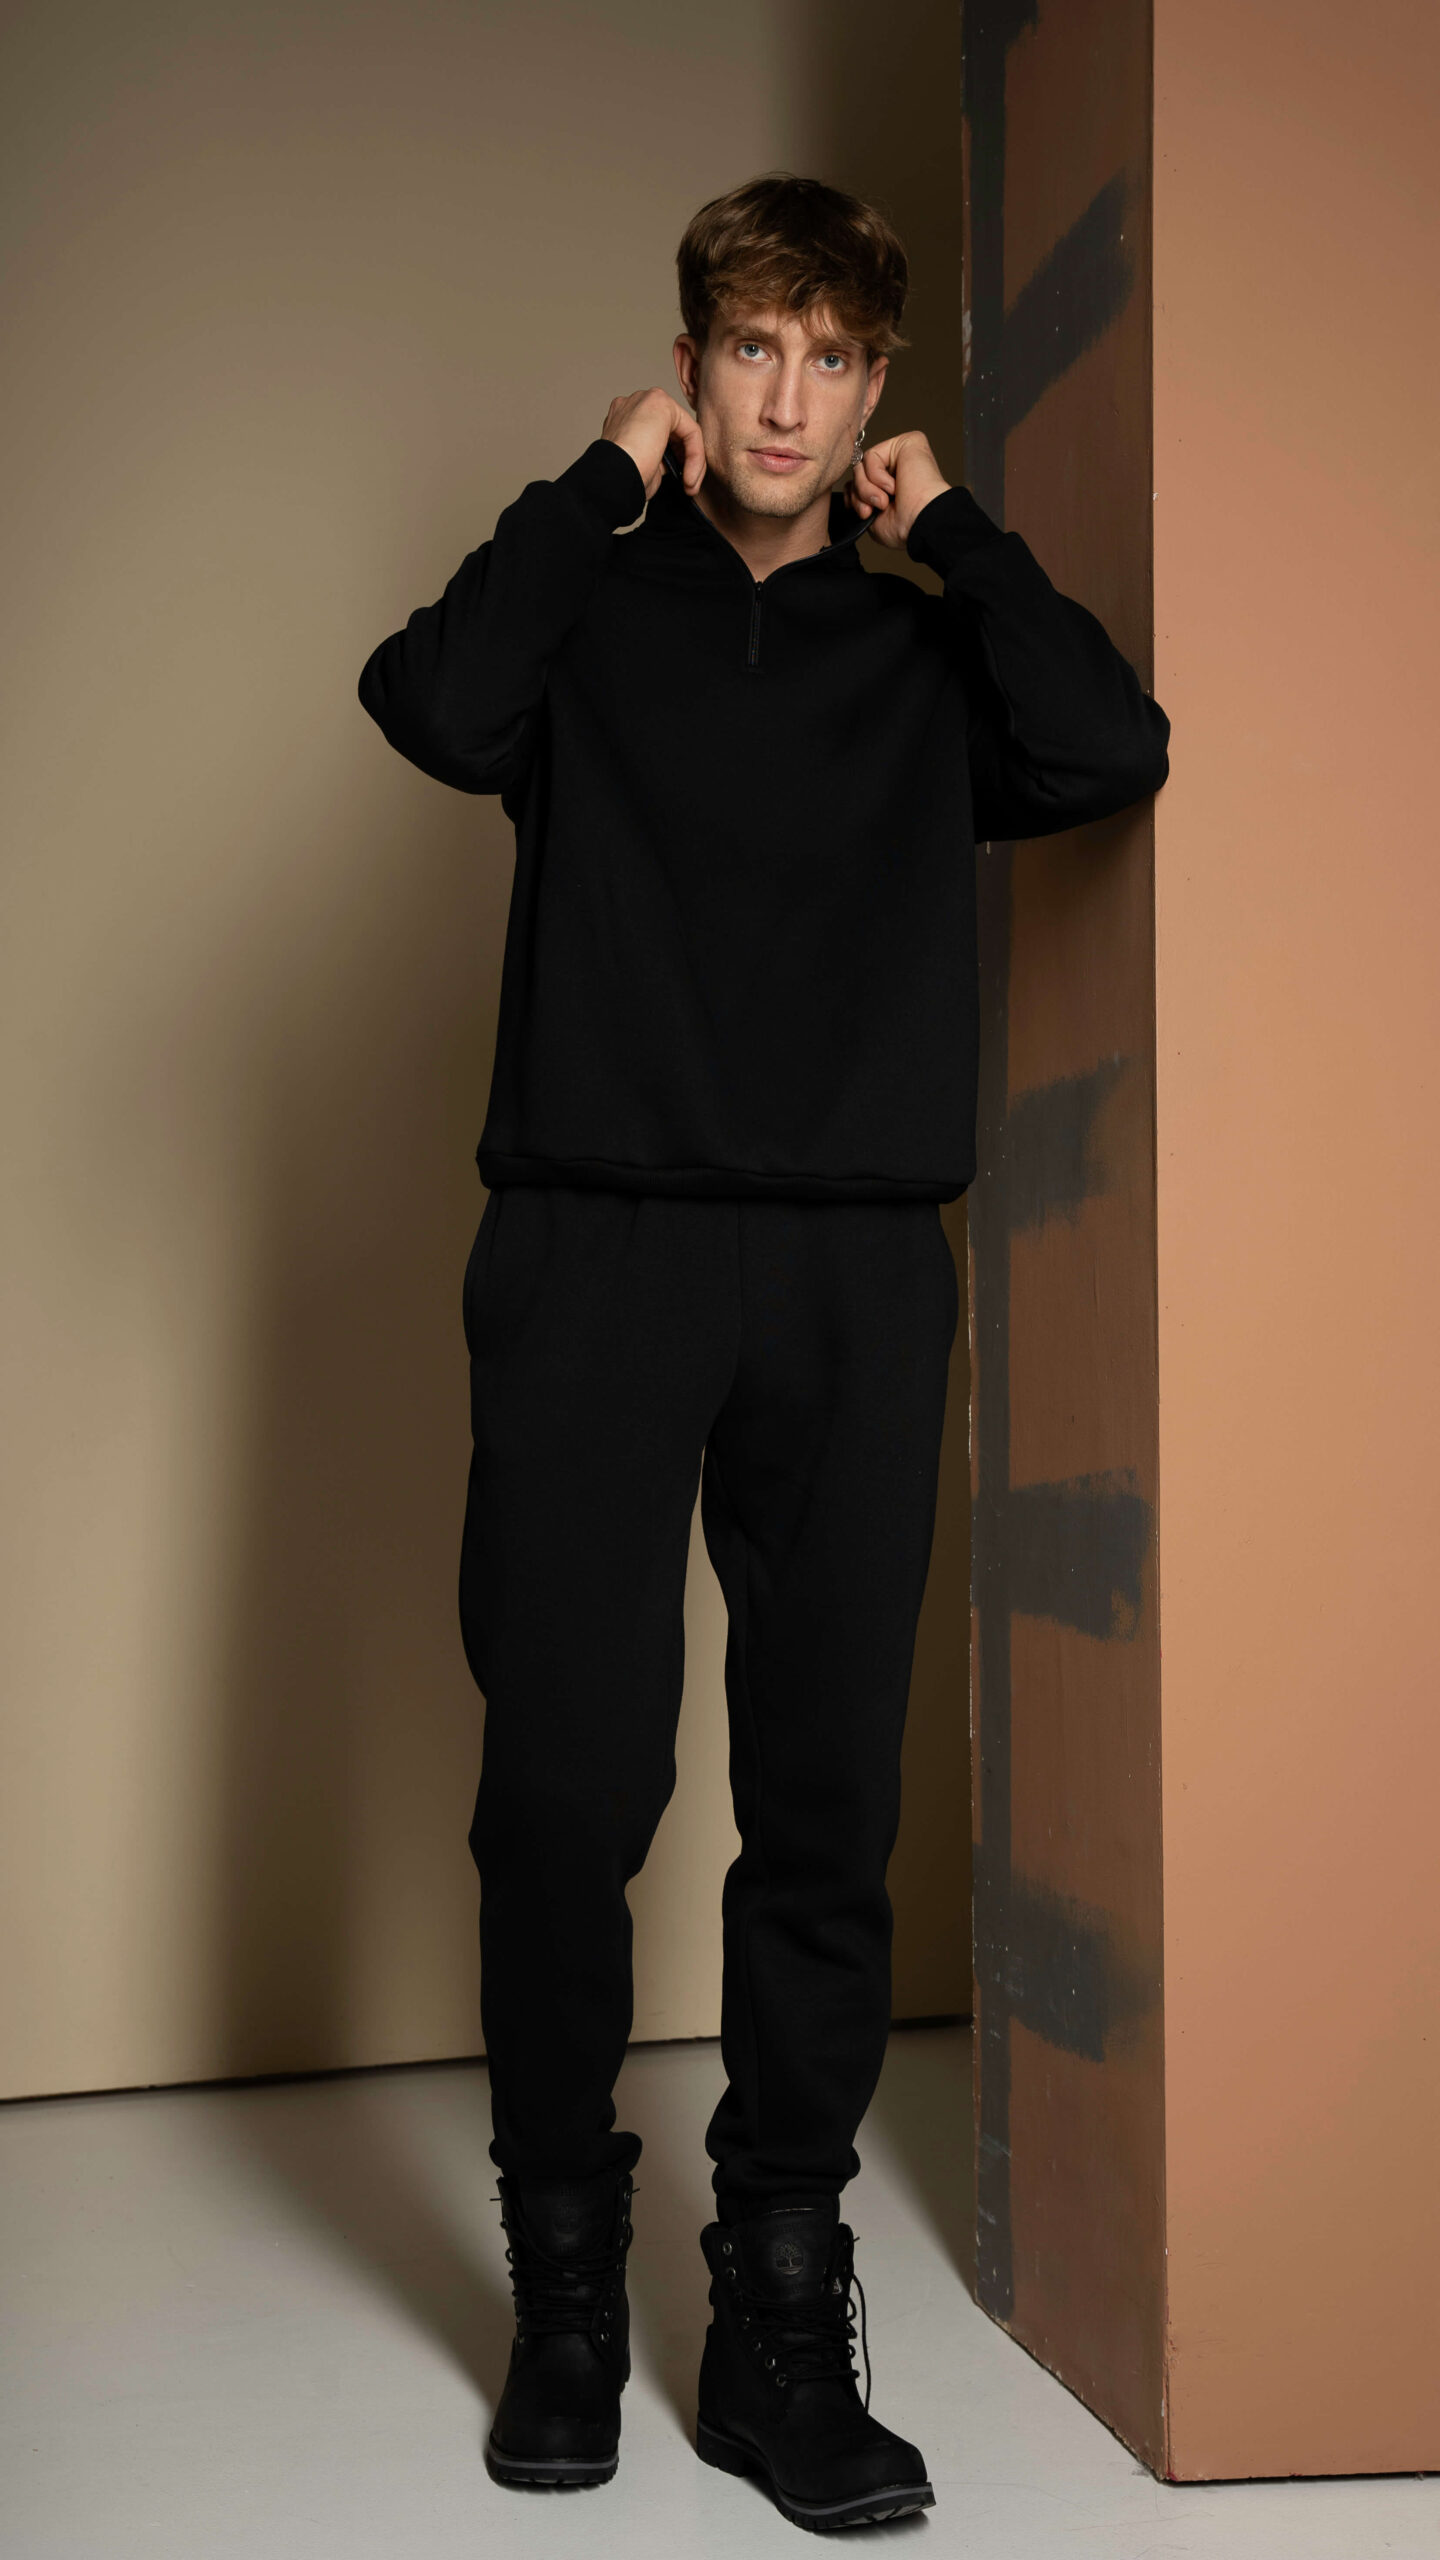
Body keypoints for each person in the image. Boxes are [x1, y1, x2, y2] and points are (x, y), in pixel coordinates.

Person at [357, 171, 1169, 2533]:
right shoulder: (587, 618)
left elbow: (1109, 745)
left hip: (851, 1271)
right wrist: (592, 486)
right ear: (692, 368)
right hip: (594, 1250)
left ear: (875, 386)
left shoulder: (922, 659)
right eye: (749, 351)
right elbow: (431, 699)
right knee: (564, 1786)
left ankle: (781, 2307)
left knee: (823, 1802)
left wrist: (965, 538)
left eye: (829, 358)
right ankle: (568, 2282)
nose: (787, 398)